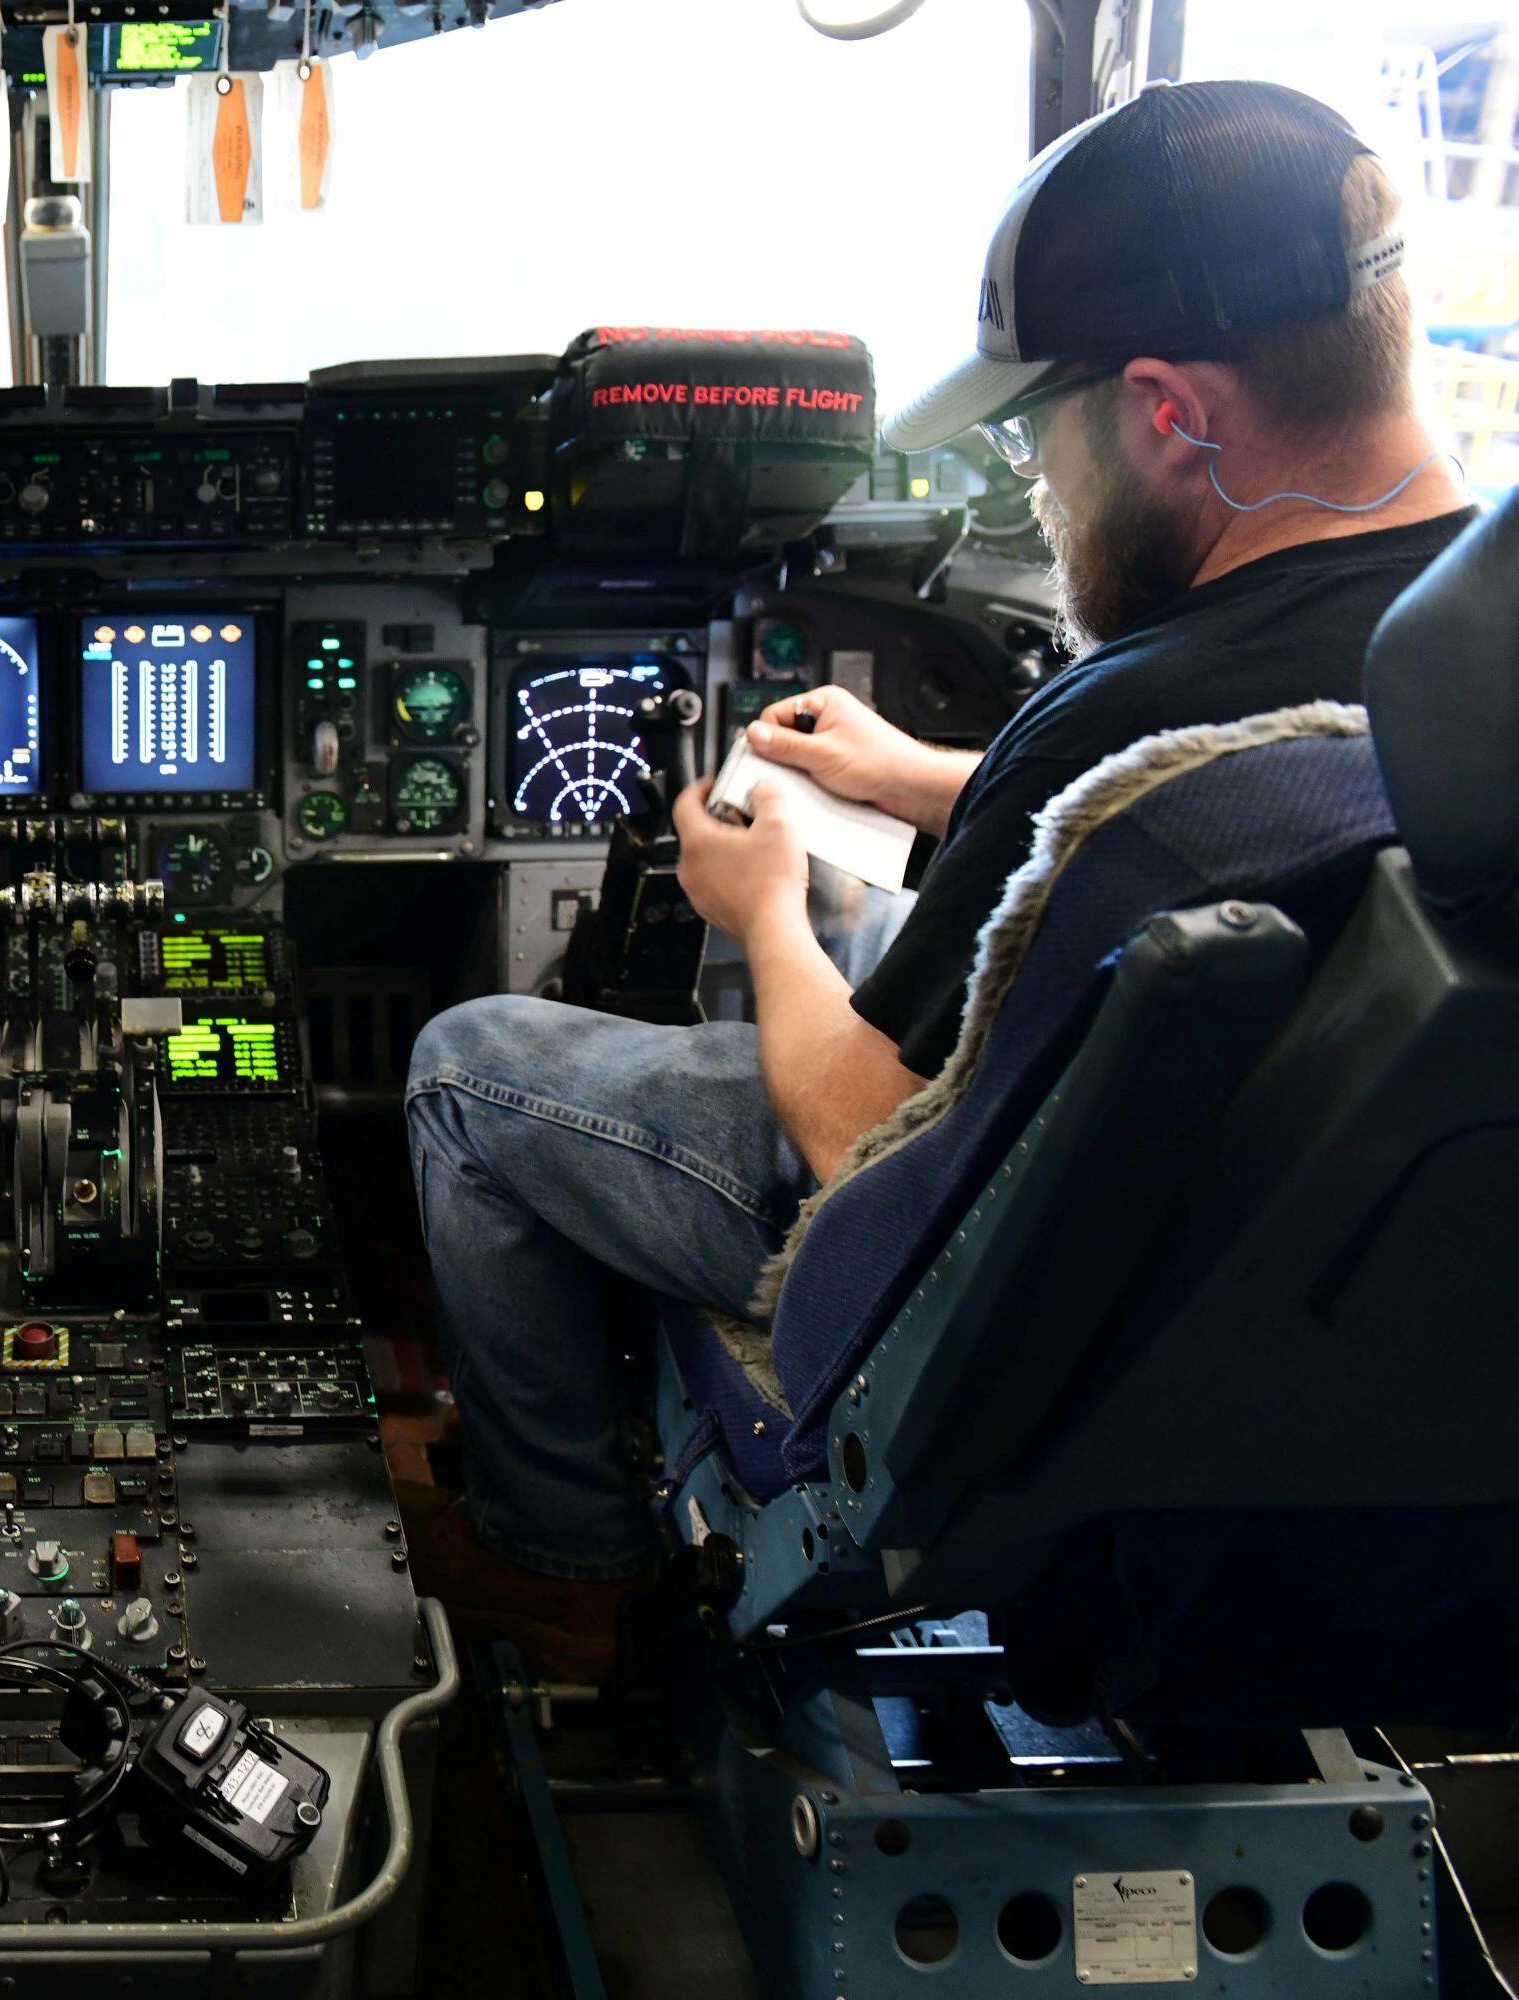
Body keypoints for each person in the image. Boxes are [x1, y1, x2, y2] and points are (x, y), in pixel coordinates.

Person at [404, 79, 1475, 1682]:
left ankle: (566, 1562)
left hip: (994, 1281)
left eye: (1048, 427)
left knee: (466, 1069)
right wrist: (925, 780)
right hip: (1305, 1283)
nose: (1044, 482)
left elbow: (849, 1130)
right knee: (867, 906)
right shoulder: (1463, 657)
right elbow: (1259, 793)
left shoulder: (1131, 707)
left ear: (1173, 414)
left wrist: (762, 910)